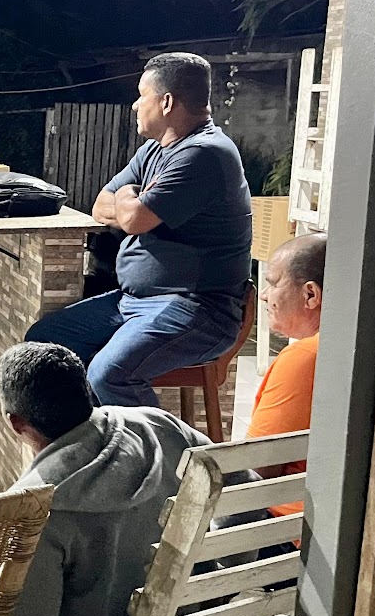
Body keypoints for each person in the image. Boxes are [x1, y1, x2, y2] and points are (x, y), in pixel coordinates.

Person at [0, 342, 209, 616]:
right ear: (86, 391)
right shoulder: (160, 426)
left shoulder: (34, 509)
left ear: (16, 423)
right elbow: (244, 498)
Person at [25, 53, 253, 407]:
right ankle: (88, 435)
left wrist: (130, 200)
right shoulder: (154, 150)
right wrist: (132, 201)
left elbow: (134, 220)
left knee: (109, 375)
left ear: (166, 102)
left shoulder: (204, 153)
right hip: (134, 301)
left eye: (142, 95)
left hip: (197, 309)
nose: (135, 105)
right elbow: (101, 204)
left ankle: (156, 445)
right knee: (44, 344)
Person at [248, 233, 325, 516]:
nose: (264, 295)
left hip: (289, 525)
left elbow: (255, 468)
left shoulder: (305, 357)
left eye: (273, 283)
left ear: (310, 295)